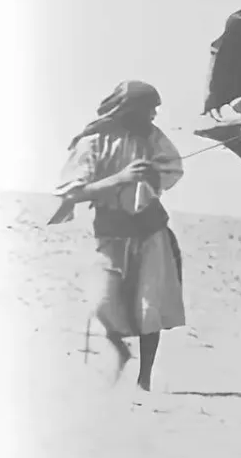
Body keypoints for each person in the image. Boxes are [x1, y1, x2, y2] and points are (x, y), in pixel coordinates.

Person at [49, 80, 186, 391]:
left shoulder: (154, 138)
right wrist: (120, 178)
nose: (153, 115)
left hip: (151, 230)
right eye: (149, 108)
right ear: (129, 109)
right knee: (102, 303)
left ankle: (144, 380)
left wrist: (153, 175)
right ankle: (122, 353)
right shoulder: (93, 142)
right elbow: (72, 193)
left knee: (149, 306)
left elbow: (172, 169)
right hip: (110, 231)